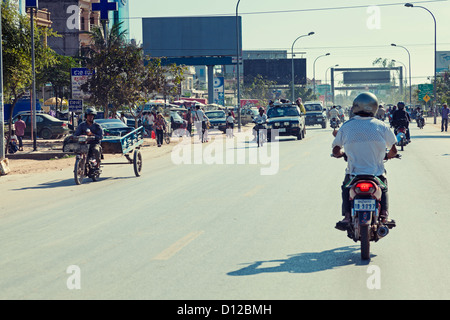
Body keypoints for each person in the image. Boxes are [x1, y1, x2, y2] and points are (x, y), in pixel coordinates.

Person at [332, 92, 398, 230]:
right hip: (376, 174)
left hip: (354, 174)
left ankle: (347, 217)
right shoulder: (381, 126)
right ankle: (385, 215)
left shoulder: (347, 126)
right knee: (384, 188)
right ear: (374, 107)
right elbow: (394, 150)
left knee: (345, 188)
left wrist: (341, 154)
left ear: (355, 107)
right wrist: (388, 156)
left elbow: (336, 150)